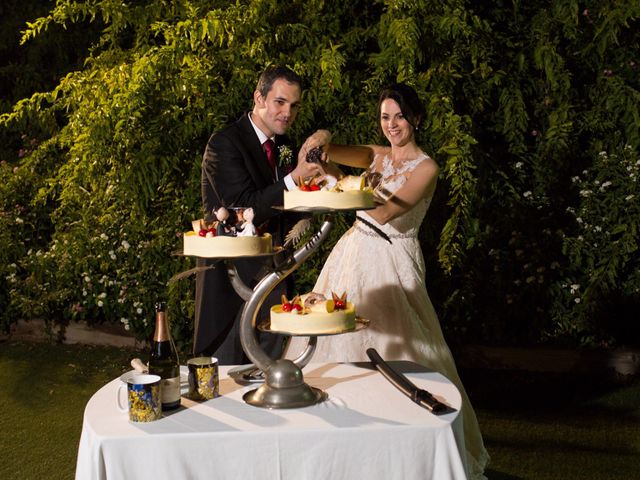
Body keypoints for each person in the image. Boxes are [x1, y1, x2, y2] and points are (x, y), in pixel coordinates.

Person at [286, 83, 489, 479]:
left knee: (399, 344)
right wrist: (324, 156)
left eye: (399, 116)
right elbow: (328, 154)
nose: (391, 125)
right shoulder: (375, 156)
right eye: (384, 117)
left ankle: (407, 451)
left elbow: (386, 213)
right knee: (336, 335)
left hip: (392, 257)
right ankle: (336, 447)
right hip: (352, 251)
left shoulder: (427, 167)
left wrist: (346, 183)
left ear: (415, 118)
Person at [194, 66, 329, 363]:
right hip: (232, 281)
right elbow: (242, 207)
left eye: (294, 106)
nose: (287, 113)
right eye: (280, 102)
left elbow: (284, 211)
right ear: (259, 98)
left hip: (274, 277)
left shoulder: (283, 146)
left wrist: (314, 190)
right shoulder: (225, 143)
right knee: (226, 377)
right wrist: (294, 179)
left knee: (267, 370)